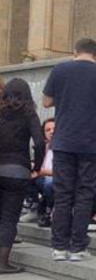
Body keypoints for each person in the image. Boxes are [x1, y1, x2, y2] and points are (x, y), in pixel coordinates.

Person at [42, 38, 96, 262]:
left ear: (75, 51)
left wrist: (69, 97)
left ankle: (59, 247)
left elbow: (46, 102)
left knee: (63, 195)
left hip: (64, 142)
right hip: (91, 143)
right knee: (84, 195)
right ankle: (78, 248)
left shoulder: (60, 70)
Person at [0, 78, 46, 273]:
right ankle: (2, 263)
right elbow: (39, 143)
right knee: (9, 218)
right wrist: (37, 165)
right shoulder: (30, 115)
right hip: (17, 170)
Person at [21, 118, 56, 227]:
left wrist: (40, 172)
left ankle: (48, 210)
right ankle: (34, 207)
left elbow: (64, 172)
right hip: (42, 178)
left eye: (54, 129)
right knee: (23, 175)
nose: (51, 132)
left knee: (48, 183)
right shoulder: (43, 147)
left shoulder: (65, 149)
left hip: (57, 179)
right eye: (47, 130)